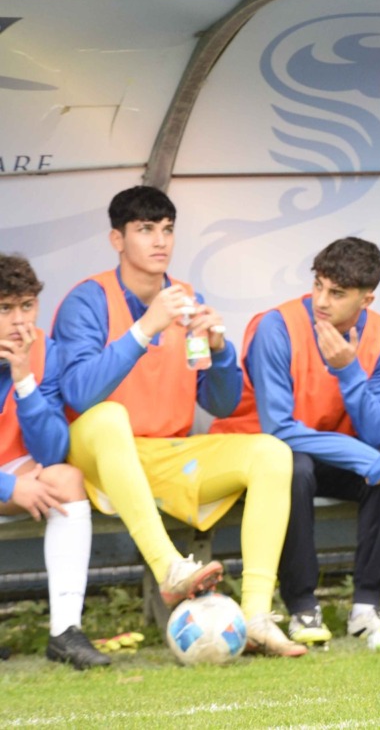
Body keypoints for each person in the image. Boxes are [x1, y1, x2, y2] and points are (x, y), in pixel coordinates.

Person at [53, 186, 304, 658]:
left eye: (167, 230)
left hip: (165, 453)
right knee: (110, 416)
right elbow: (80, 394)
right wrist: (144, 327)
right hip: (96, 456)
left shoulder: (187, 299)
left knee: (272, 452)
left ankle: (256, 617)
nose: (159, 241)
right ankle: (169, 567)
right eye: (145, 229)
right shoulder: (88, 299)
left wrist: (220, 349)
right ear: (117, 239)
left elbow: (221, 404)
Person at [211, 237, 380, 647]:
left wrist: (349, 371)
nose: (321, 301)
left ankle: (367, 607)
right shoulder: (276, 326)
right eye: (318, 286)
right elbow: (277, 429)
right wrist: (359, 454)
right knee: (295, 467)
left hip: (328, 449)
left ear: (366, 299)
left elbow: (379, 432)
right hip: (261, 454)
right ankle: (302, 606)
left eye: (337, 293)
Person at [0, 254, 109, 670]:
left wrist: (23, 378)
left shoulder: (45, 351)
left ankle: (65, 632)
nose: (19, 321)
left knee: (65, 478)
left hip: (13, 474)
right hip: (8, 483)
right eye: (5, 308)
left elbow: (50, 451)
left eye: (27, 306)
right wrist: (11, 487)